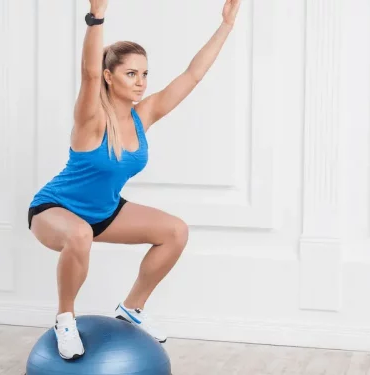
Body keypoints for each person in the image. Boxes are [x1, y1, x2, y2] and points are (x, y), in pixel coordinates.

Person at [27, 0, 242, 360]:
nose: (140, 82)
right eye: (131, 74)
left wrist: (225, 26)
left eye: (144, 74)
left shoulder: (144, 115)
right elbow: (89, 74)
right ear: (110, 76)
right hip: (56, 209)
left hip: (105, 212)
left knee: (175, 231)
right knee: (79, 234)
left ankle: (132, 308)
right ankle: (65, 318)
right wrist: (97, 17)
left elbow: (192, 75)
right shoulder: (90, 118)